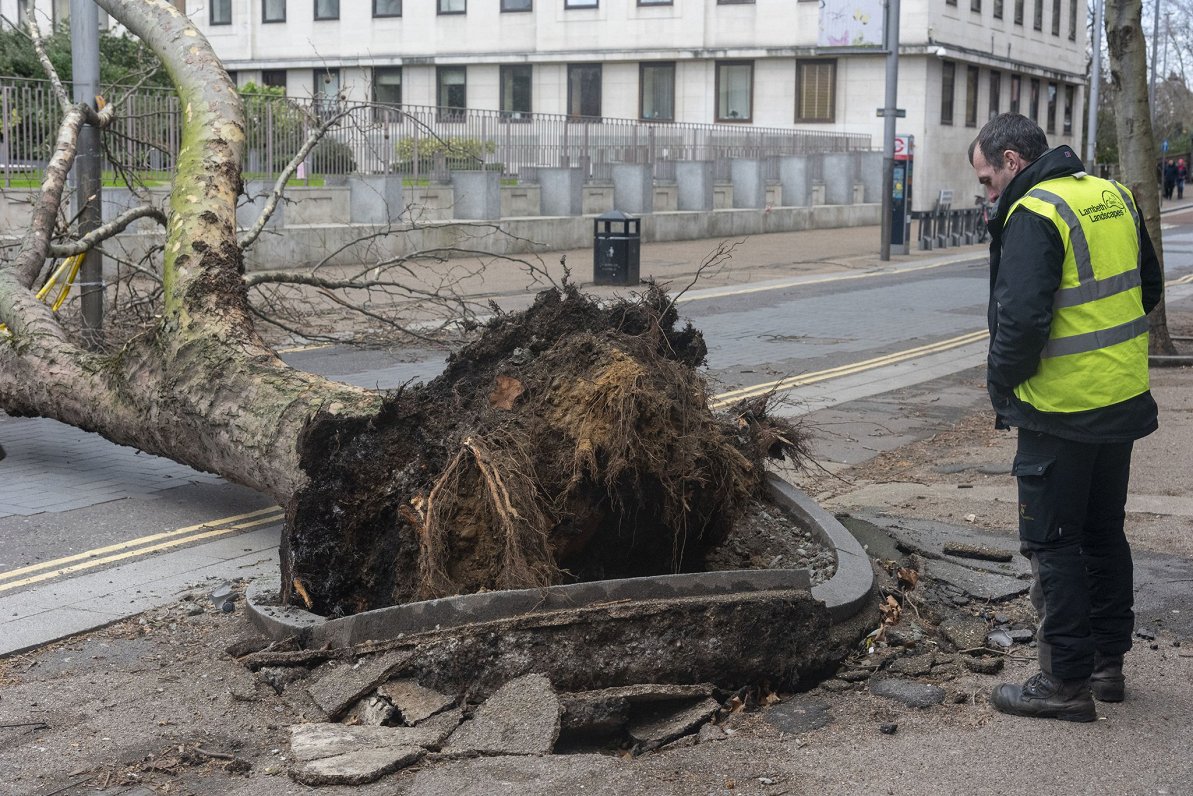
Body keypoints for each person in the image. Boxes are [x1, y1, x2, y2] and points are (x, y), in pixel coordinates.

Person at [968, 113, 1163, 721]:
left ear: (1011, 161)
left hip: (1059, 408)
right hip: (1119, 399)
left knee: (1053, 544)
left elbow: (1021, 321)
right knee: (1103, 534)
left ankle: (1064, 683)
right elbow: (1149, 289)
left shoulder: (1035, 212)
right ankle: (1107, 667)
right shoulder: (1112, 195)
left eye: (986, 179)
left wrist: (1002, 385)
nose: (986, 192)